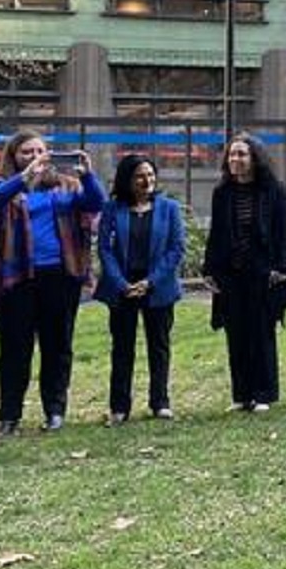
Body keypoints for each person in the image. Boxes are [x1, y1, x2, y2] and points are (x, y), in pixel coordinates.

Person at [0, 132, 104, 436]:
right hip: (16, 278)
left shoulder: (66, 186)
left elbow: (95, 203)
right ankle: (9, 416)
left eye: (39, 151)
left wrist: (88, 175)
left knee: (57, 346)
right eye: (26, 152)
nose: (34, 157)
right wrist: (23, 178)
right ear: (13, 156)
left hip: (60, 276)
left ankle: (55, 411)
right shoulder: (3, 187)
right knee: (14, 348)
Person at [204, 133, 286, 412]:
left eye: (242, 154)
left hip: (263, 272)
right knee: (236, 334)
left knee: (261, 333)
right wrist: (209, 269)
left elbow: (283, 232)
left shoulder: (274, 191)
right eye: (232, 154)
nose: (236, 159)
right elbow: (216, 234)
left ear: (255, 158)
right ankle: (241, 395)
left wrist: (282, 267)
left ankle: (264, 393)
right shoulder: (222, 193)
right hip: (231, 273)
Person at [94, 154, 186, 425]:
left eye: (151, 175)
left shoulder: (169, 208)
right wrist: (121, 283)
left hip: (157, 287)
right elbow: (105, 249)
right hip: (123, 288)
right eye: (140, 176)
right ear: (127, 180)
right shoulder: (112, 209)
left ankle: (160, 402)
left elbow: (175, 249)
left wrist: (151, 281)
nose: (147, 181)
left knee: (159, 346)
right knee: (122, 348)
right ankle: (119, 406)